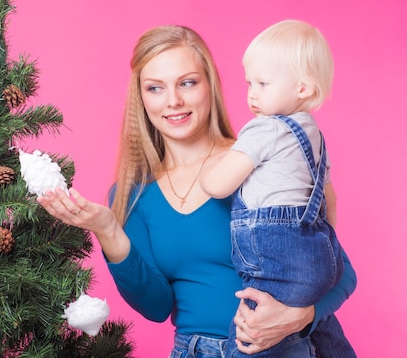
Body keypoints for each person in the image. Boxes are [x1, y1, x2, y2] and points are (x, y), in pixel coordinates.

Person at [36, 25, 357, 358]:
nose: (173, 101)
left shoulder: (258, 160)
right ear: (142, 98)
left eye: (187, 83)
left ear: (210, 86)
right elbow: (156, 307)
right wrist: (108, 230)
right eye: (155, 88)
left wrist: (299, 317)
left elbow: (341, 270)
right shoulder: (133, 193)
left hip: (280, 348)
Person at [199, 20, 356, 357]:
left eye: (263, 83)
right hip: (320, 258)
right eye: (249, 83)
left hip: (275, 262)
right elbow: (329, 199)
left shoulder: (265, 128)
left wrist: (213, 165)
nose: (252, 94)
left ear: (302, 88)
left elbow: (216, 185)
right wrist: (311, 243)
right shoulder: (314, 137)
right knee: (322, 334)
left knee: (248, 334)